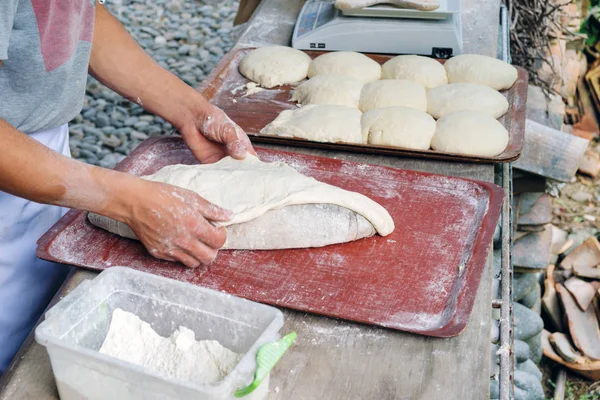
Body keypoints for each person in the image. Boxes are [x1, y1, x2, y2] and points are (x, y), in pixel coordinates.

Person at [0, 0, 256, 374]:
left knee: (43, 330)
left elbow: (73, 16)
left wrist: (189, 109)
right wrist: (126, 200)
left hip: (40, 164)